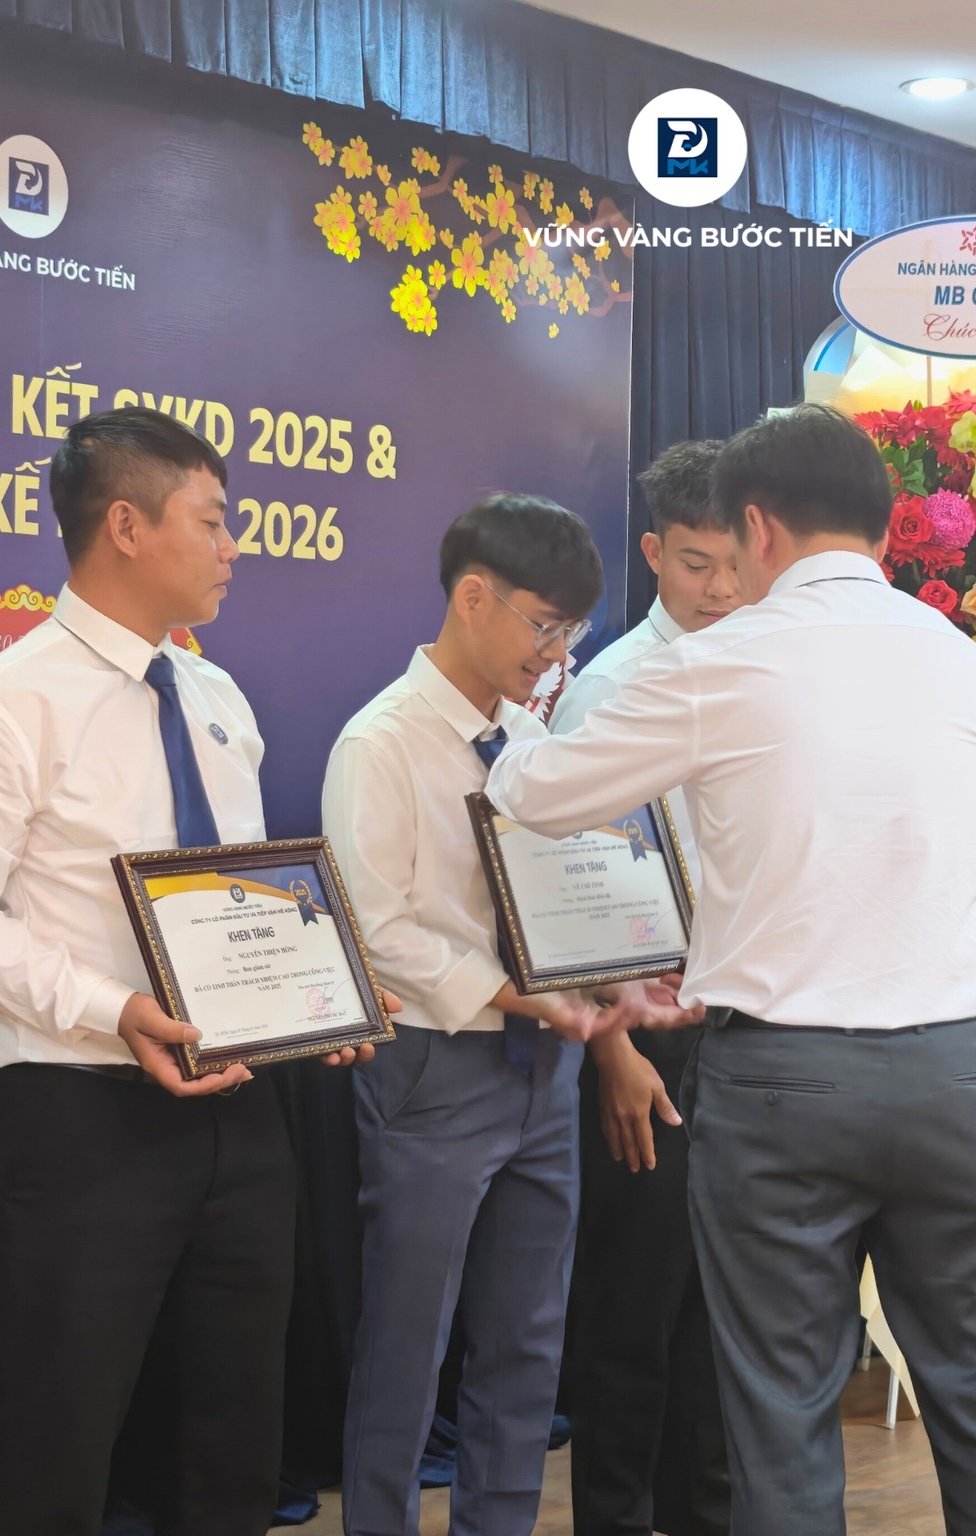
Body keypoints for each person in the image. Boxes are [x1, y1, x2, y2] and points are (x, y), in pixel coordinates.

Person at [487, 405, 976, 1536]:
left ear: (756, 527)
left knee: (781, 1419)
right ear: (885, 528)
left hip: (784, 1090)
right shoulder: (962, 662)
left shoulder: (722, 660)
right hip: (958, 1075)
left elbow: (536, 797)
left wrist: (523, 711)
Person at [0, 407, 379, 1536]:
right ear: (125, 525)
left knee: (232, 1442)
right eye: (212, 521)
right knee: (47, 1446)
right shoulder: (1, 705)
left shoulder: (216, 698)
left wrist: (321, 993)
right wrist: (115, 1010)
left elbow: (242, 900)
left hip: (239, 1118)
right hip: (76, 1125)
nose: (232, 547)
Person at [322, 494, 693, 1536]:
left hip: (545, 1069)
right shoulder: (380, 743)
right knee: (409, 1343)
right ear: (472, 598)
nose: (556, 652)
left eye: (572, 630)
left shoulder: (530, 741)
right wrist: (522, 994)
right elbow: (374, 930)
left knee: (527, 1341)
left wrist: (616, 981)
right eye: (544, 624)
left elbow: (575, 894)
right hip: (435, 1068)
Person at [555, 440, 740, 1536]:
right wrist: (612, 1045)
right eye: (695, 566)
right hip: (645, 1031)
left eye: (733, 566)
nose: (717, 590)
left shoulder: (762, 670)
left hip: (745, 1024)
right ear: (654, 553)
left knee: (719, 1316)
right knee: (632, 1311)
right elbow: (570, 882)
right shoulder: (613, 688)